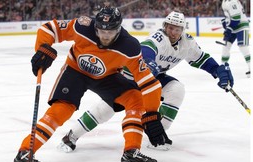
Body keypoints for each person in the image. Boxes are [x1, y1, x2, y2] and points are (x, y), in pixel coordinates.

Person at [10, 7, 170, 162]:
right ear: (95, 27)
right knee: (62, 109)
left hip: (107, 77)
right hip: (75, 71)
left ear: (119, 28)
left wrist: (151, 114)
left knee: (135, 98)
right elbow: (50, 28)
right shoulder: (82, 26)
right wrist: (43, 48)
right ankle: (25, 152)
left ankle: (131, 153)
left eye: (111, 31)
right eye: (101, 31)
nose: (105, 35)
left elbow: (149, 83)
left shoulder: (129, 46)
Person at [58, 11, 234, 153]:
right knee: (106, 110)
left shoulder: (187, 43)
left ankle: (157, 135)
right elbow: (146, 50)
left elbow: (202, 59)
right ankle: (72, 136)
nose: (173, 32)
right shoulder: (159, 38)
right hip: (130, 76)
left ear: (182, 30)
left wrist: (218, 71)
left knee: (176, 89)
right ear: (165, 26)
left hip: (153, 77)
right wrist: (149, 65)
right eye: (170, 27)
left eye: (177, 29)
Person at [220, 0, 250, 77]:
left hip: (241, 26)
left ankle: (251, 67)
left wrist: (228, 29)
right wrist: (225, 23)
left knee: (243, 47)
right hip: (233, 27)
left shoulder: (232, 1)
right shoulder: (224, 2)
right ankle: (223, 67)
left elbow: (236, 18)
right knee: (225, 47)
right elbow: (229, 17)